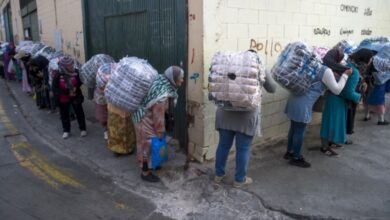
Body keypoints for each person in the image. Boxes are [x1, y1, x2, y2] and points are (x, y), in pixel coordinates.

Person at [214, 64, 277, 188]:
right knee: (243, 149)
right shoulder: (260, 67)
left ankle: (218, 174)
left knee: (223, 145)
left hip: (225, 112)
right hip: (246, 116)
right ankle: (239, 180)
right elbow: (273, 88)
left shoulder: (230, 65)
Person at [284, 57, 353, 168]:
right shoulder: (326, 71)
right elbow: (337, 90)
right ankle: (296, 157)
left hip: (294, 98)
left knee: (293, 128)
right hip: (303, 104)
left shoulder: (313, 65)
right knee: (300, 130)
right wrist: (345, 75)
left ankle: (289, 152)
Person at [133, 66, 184, 182]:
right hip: (145, 120)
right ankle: (145, 172)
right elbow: (158, 117)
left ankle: (152, 164)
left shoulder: (162, 81)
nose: (182, 81)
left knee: (150, 144)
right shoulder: (162, 96)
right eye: (181, 78)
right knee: (147, 146)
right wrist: (160, 132)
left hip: (146, 117)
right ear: (173, 78)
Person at [320, 49, 370, 156]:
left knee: (333, 122)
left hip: (333, 98)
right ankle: (324, 147)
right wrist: (359, 96)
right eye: (369, 59)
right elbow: (347, 92)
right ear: (365, 60)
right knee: (330, 123)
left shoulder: (348, 65)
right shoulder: (353, 70)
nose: (370, 62)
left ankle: (330, 143)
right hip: (337, 99)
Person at [52, 55, 87, 139]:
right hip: (63, 98)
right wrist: (67, 92)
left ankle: (83, 129)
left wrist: (76, 87)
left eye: (72, 64)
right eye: (69, 65)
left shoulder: (76, 72)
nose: (72, 66)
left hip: (75, 96)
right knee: (64, 114)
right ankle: (66, 130)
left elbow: (80, 81)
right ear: (64, 66)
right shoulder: (58, 75)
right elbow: (55, 88)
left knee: (79, 112)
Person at [364, 59, 390, 125]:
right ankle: (381, 120)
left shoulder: (370, 66)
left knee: (367, 101)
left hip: (369, 88)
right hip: (379, 89)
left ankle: (366, 116)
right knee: (380, 103)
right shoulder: (380, 71)